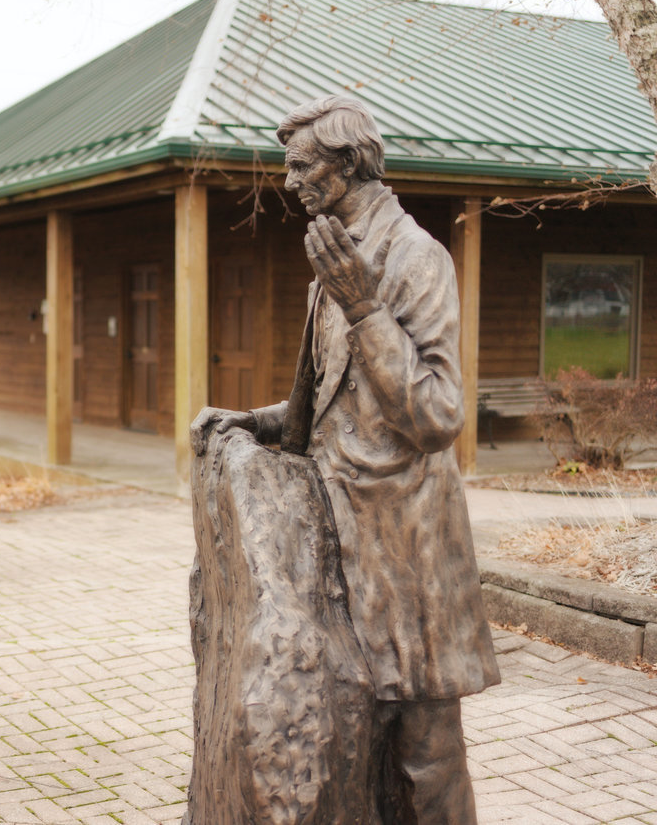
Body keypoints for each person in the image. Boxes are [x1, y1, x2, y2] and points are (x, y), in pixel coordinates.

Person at [192, 95, 500, 823]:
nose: (291, 181)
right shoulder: (334, 256)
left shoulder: (414, 258)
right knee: (362, 742)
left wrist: (366, 309)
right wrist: (252, 420)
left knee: (426, 749)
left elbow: (436, 417)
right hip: (337, 536)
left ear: (348, 162)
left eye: (301, 166)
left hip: (408, 546)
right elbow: (318, 407)